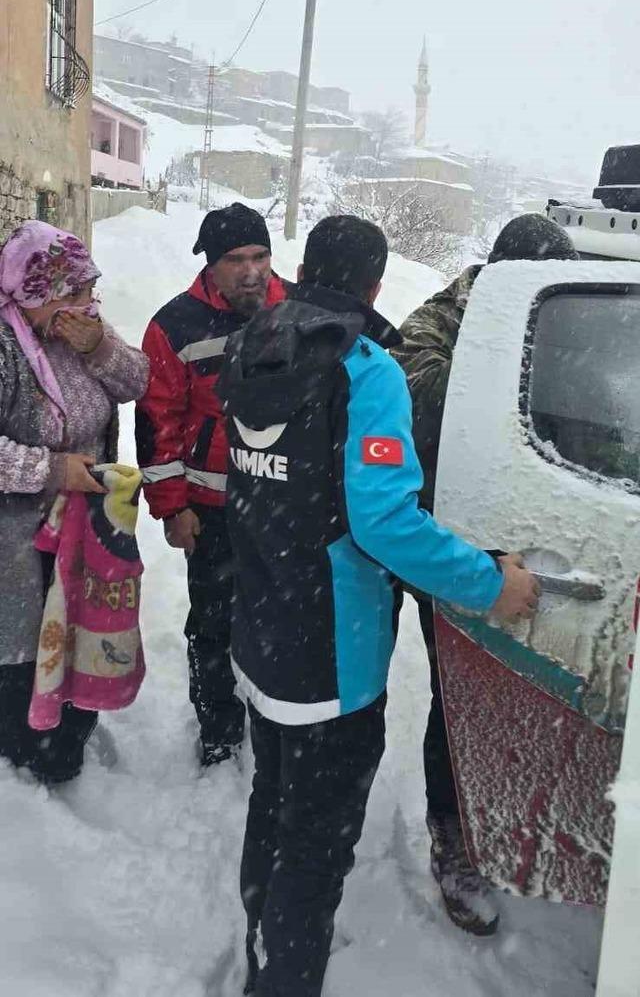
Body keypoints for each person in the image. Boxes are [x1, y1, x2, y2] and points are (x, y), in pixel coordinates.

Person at [217, 214, 539, 997]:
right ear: (375, 285)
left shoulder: (255, 343)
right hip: (331, 646)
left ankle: (265, 943)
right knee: (317, 844)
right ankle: (284, 975)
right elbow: (386, 521)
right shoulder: (365, 368)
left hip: (260, 622)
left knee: (273, 802)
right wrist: (494, 583)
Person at [392, 212, 579, 935]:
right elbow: (437, 407)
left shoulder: (545, 322)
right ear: (504, 274)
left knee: (535, 688)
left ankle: (516, 808)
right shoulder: (436, 324)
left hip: (531, 538)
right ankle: (454, 835)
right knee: (460, 692)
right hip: (452, 548)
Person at [136, 203, 286, 767]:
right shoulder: (174, 326)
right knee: (214, 621)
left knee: (280, 616)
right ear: (209, 264)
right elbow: (158, 424)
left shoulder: (295, 308)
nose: (252, 271)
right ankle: (219, 726)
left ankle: (274, 712)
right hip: (212, 507)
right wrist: (173, 508)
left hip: (282, 505)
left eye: (261, 256)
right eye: (236, 259)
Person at [0, 219, 149, 784]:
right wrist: (51, 470)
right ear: (40, 294)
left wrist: (100, 347)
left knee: (83, 636)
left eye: (92, 291)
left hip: (82, 533)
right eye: (77, 293)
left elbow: (136, 381)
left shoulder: (80, 332)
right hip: (16, 546)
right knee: (24, 659)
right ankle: (28, 777)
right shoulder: (5, 347)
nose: (90, 304)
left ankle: (69, 745)